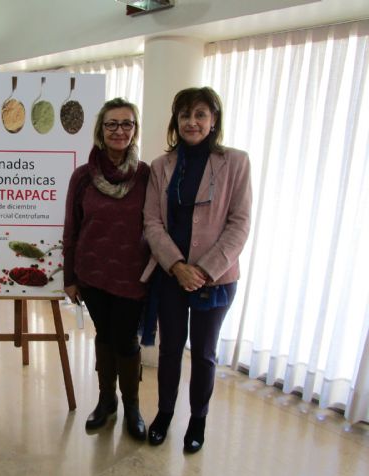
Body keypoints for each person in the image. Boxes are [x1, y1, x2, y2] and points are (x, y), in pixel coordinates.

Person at [141, 87, 252, 452]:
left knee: (204, 353)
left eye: (201, 114)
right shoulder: (161, 166)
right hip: (171, 275)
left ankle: (198, 420)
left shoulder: (236, 162)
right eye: (185, 115)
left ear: (214, 120)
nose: (192, 122)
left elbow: (240, 224)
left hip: (215, 279)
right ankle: (165, 414)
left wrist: (202, 270)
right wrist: (176, 265)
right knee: (171, 349)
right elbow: (152, 222)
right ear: (176, 121)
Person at [63, 98, 150, 440]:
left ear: (134, 130)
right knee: (104, 336)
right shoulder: (83, 177)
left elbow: (155, 224)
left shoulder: (146, 175)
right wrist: (69, 278)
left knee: (126, 341)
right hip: (93, 274)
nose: (119, 130)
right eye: (112, 124)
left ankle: (132, 406)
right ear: (100, 130)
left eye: (126, 124)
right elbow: (71, 228)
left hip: (132, 275)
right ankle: (106, 401)